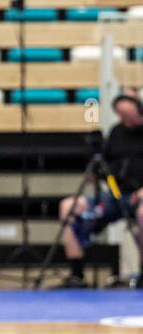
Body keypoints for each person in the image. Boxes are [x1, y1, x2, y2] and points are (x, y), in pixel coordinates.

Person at [57, 92, 143, 287]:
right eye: (121, 116)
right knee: (69, 206)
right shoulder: (116, 132)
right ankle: (77, 275)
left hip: (139, 197)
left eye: (128, 116)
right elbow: (102, 165)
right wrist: (94, 169)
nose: (125, 121)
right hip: (114, 193)